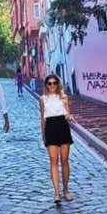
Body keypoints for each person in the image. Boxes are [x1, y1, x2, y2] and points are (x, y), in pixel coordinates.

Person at [39, 74, 75, 204]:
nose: (52, 85)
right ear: (46, 85)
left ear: (58, 84)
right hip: (50, 128)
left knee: (64, 160)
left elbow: (67, 113)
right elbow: (42, 118)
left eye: (54, 83)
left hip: (63, 127)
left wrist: (70, 117)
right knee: (53, 161)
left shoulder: (64, 97)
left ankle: (66, 190)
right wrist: (43, 135)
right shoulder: (42, 99)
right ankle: (56, 192)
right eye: (49, 83)